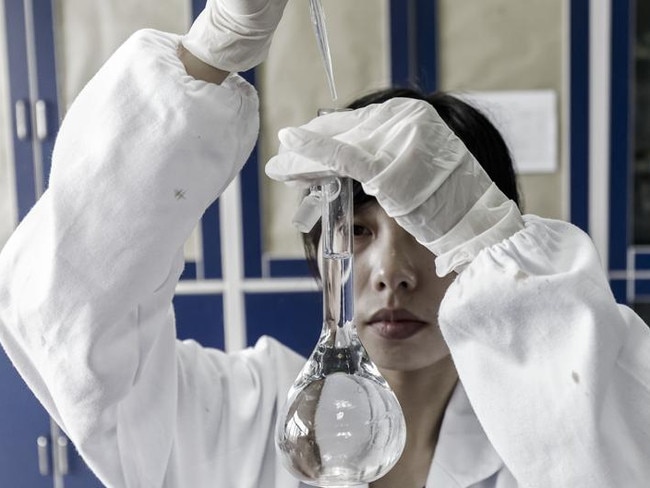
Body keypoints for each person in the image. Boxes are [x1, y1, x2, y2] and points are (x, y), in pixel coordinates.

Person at [0, 0, 648, 486]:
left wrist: (491, 238)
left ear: (479, 249)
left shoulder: (553, 428)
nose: (392, 272)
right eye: (358, 230)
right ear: (323, 251)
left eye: (425, 229)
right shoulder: (241, 423)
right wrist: (208, 52)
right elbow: (64, 309)